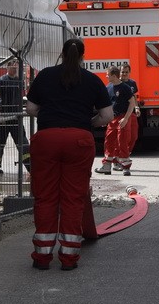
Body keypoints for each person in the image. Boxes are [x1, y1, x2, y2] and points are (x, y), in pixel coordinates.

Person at [25, 38, 112, 271]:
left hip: (47, 139)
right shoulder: (93, 80)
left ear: (62, 54)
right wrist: (85, 123)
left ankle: (42, 256)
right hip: (79, 141)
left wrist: (50, 117)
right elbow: (107, 116)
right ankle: (69, 257)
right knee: (74, 198)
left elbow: (31, 109)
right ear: (83, 56)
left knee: (45, 197)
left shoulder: (44, 76)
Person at [95, 66, 137, 176]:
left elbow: (132, 103)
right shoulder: (108, 87)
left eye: (108, 74)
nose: (106, 76)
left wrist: (126, 118)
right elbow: (106, 105)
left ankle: (125, 167)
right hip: (112, 118)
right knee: (108, 141)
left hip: (122, 118)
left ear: (114, 76)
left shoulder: (125, 88)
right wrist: (104, 117)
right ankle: (107, 166)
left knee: (122, 141)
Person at [0, 59, 27, 173]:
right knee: (0, 143)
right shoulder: (2, 80)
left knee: (23, 143)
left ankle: (31, 167)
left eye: (17, 67)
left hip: (16, 118)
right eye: (14, 67)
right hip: (4, 119)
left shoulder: (19, 81)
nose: (16, 69)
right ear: (8, 67)